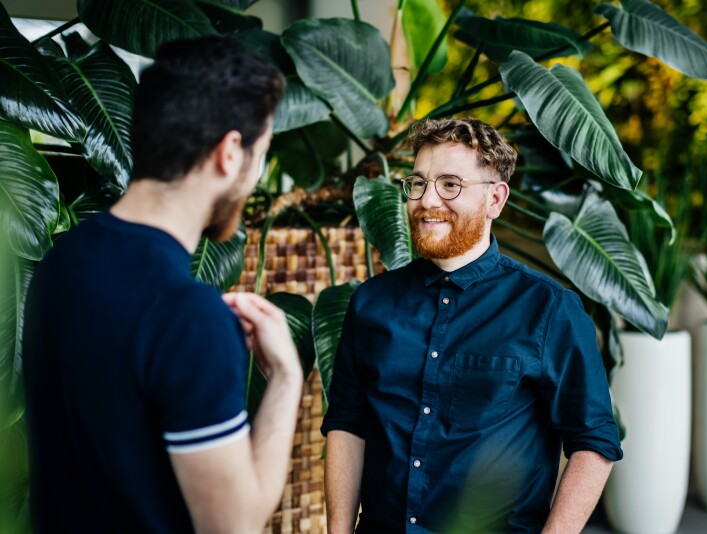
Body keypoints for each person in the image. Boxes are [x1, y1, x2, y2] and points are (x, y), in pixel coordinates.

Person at [23, 36, 303, 533]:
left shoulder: (60, 261)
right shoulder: (190, 316)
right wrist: (286, 380)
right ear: (230, 153)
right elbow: (232, 526)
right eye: (262, 153)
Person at [322, 118, 623, 533]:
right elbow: (347, 424)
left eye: (450, 184)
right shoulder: (371, 303)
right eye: (418, 183)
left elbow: (594, 441)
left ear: (495, 200)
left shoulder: (550, 309)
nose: (428, 200)